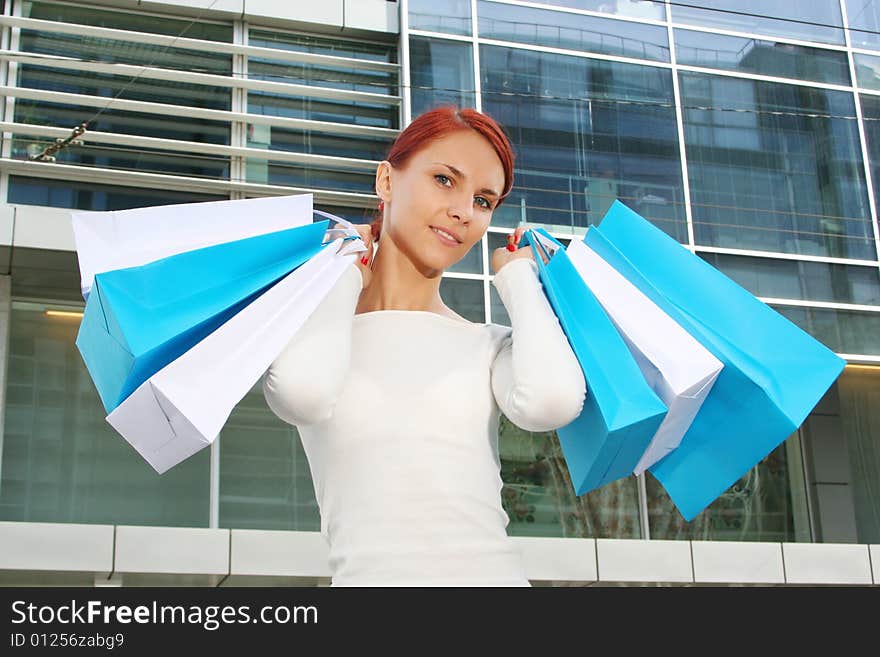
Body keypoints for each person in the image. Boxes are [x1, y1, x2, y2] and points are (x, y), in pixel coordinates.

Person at [262, 106, 587, 587]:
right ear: (386, 182)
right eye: (443, 179)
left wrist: (519, 277)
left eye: (483, 201)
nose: (462, 211)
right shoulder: (318, 334)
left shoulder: (487, 346)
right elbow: (302, 393)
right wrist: (348, 268)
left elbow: (552, 401)